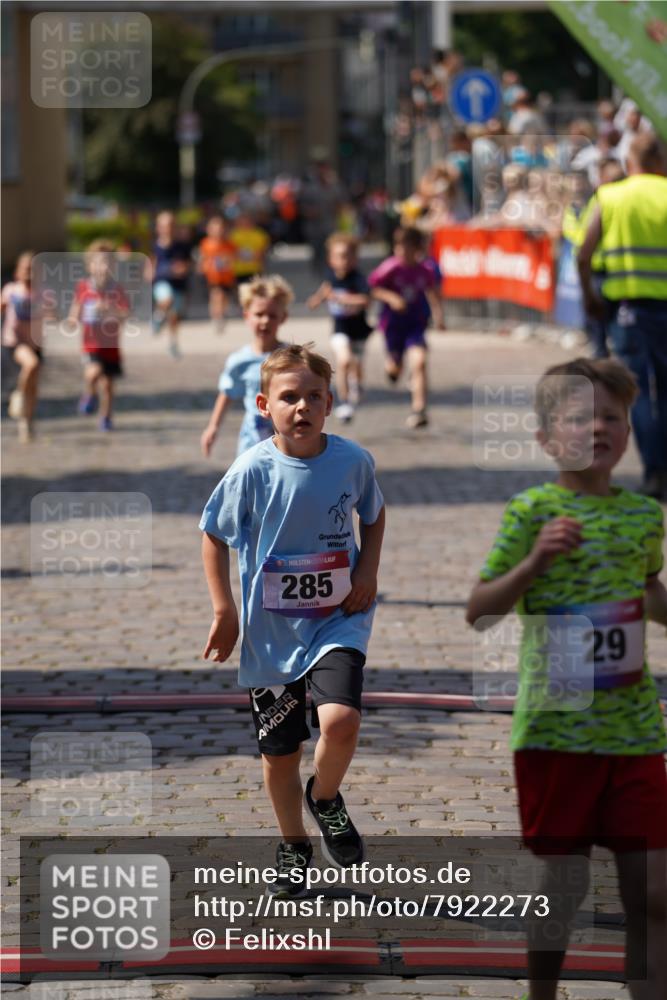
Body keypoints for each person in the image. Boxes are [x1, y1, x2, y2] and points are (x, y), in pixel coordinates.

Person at [466, 357, 667, 1000]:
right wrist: (535, 560)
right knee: (564, 887)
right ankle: (543, 995)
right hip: (556, 733)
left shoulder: (644, 515)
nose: (601, 429)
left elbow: (649, 591)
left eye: (614, 416)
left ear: (630, 431)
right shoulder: (533, 511)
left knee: (654, 893)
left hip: (635, 732)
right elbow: (480, 609)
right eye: (582, 417)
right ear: (549, 439)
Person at [200, 343, 385, 893]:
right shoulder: (251, 469)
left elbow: (373, 517)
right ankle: (293, 842)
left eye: (314, 397)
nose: (302, 407)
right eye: (289, 398)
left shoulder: (353, 461)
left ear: (330, 404)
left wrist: (367, 572)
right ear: (263, 405)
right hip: (272, 632)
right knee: (280, 753)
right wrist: (224, 608)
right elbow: (213, 534)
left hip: (337, 620)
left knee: (341, 722)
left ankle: (324, 797)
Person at [578, 132, 667, 499]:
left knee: (640, 392)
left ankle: (655, 472)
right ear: (661, 161)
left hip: (629, 311)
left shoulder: (611, 196)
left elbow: (584, 253)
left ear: (631, 162)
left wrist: (589, 297)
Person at [201, 275, 293, 459]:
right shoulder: (240, 360)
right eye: (259, 314)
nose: (265, 321)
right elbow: (227, 393)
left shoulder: (291, 357)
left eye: (272, 315)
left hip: (286, 438)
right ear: (247, 316)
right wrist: (213, 427)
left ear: (283, 318)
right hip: (252, 439)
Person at [368, 226, 444, 429]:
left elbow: (432, 291)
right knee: (394, 368)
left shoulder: (425, 270)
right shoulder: (390, 267)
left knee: (419, 362)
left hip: (415, 325)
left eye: (407, 248)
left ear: (417, 249)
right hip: (393, 326)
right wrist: (391, 297)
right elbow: (373, 288)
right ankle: (394, 368)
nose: (402, 252)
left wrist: (438, 315)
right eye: (399, 247)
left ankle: (419, 409)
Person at [307, 233, 372, 423]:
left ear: (355, 258)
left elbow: (366, 299)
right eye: (340, 256)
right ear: (331, 259)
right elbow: (326, 288)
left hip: (359, 331)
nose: (344, 260)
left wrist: (344, 299)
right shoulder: (331, 276)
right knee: (344, 361)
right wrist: (316, 299)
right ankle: (344, 402)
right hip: (340, 328)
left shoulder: (358, 279)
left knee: (357, 367)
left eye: (348, 256)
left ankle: (357, 384)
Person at [69, 240, 129, 432]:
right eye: (97, 262)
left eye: (106, 262)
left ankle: (106, 416)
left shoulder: (116, 290)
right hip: (91, 343)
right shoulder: (84, 286)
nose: (102, 267)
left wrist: (111, 310)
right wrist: (72, 319)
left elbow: (125, 314)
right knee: (93, 371)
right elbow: (77, 306)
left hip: (110, 344)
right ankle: (89, 393)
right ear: (89, 265)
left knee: (108, 385)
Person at [1, 251, 42, 442]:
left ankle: (26, 423)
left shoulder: (42, 292)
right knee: (31, 365)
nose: (29, 273)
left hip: (35, 343)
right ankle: (17, 393)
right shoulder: (11, 290)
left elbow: (54, 313)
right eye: (26, 269)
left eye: (33, 269)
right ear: (18, 272)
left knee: (33, 387)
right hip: (14, 342)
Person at [147, 211, 192, 359]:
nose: (168, 229)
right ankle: (158, 318)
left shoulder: (182, 246)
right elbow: (150, 264)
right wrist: (149, 273)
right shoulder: (154, 245)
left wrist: (183, 269)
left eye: (171, 225)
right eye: (165, 225)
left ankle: (173, 344)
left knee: (174, 318)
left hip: (178, 284)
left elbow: (188, 264)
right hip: (162, 281)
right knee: (167, 299)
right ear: (158, 228)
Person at [198, 215, 236, 334]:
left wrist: (227, 261)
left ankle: (220, 312)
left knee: (223, 298)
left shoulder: (229, 244)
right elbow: (202, 259)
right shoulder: (206, 244)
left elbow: (233, 258)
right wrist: (204, 266)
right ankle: (218, 317)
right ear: (209, 230)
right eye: (215, 228)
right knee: (217, 295)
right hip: (212, 276)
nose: (219, 231)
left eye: (221, 228)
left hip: (226, 277)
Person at [229, 212, 270, 285]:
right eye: (243, 221)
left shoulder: (260, 234)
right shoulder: (232, 235)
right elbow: (230, 252)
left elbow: (263, 253)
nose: (245, 223)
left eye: (247, 221)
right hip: (237, 271)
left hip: (254, 269)